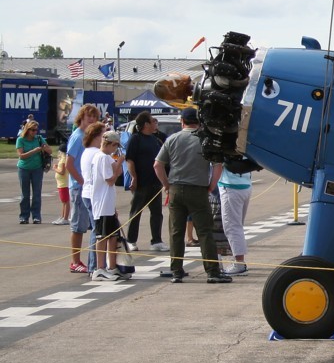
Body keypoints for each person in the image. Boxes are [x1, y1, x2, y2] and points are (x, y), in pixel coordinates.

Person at [153, 107, 231, 284]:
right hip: (198, 189)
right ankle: (212, 271)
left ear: (182, 121)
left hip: (176, 187)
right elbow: (218, 165)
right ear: (199, 122)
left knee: (176, 231)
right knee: (204, 231)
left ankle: (176, 271)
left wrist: (166, 185)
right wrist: (211, 186)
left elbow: (157, 165)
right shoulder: (206, 140)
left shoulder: (172, 139)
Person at [89, 131, 129, 281]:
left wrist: (117, 163)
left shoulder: (104, 158)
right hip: (102, 204)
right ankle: (100, 268)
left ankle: (112, 267)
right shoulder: (103, 158)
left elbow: (116, 171)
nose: (116, 149)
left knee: (112, 236)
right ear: (111, 144)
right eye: (116, 146)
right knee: (103, 236)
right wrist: (119, 162)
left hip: (107, 203)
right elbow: (110, 179)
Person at [65, 104, 101, 273]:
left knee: (90, 225)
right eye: (89, 117)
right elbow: (69, 164)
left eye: (94, 117)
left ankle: (89, 260)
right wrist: (82, 181)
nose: (92, 119)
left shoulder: (88, 136)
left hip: (89, 187)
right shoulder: (77, 136)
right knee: (78, 226)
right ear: (82, 117)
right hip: (79, 187)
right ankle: (75, 261)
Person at [124, 112, 167, 252]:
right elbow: (129, 160)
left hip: (155, 182)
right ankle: (130, 240)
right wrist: (134, 177)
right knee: (136, 212)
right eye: (152, 121)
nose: (155, 124)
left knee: (156, 213)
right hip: (141, 183)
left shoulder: (155, 139)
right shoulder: (135, 139)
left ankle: (156, 241)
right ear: (146, 124)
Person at [215, 164, 252, 275]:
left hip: (230, 185)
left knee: (232, 227)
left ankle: (239, 262)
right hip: (245, 183)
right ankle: (238, 260)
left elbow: (217, 164)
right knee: (237, 226)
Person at [15, 120, 51, 224]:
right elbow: (21, 156)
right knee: (25, 194)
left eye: (36, 130)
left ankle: (36, 216)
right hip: (24, 169)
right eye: (33, 130)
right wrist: (34, 151)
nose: (35, 132)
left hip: (37, 169)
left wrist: (46, 148)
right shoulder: (20, 140)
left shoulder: (39, 139)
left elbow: (50, 151)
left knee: (37, 194)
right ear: (27, 129)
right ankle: (24, 216)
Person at [51, 144, 71, 224]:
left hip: (63, 183)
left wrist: (55, 168)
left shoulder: (63, 160)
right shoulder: (63, 159)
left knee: (65, 201)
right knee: (64, 201)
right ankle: (63, 217)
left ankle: (65, 218)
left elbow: (62, 172)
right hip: (61, 183)